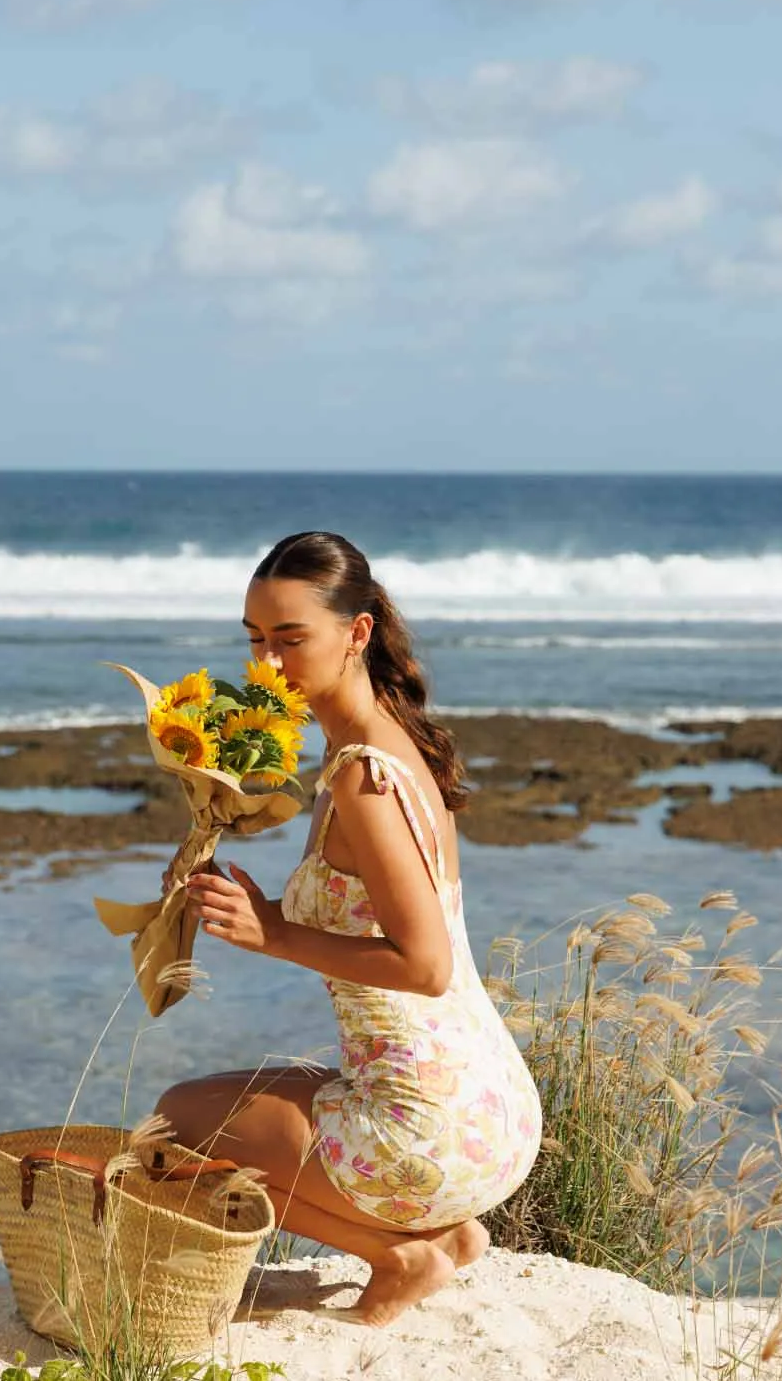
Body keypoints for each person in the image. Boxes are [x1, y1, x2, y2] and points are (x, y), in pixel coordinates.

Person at [155, 531, 543, 1325]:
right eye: (255, 641)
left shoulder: (365, 776)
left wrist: (272, 936)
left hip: (429, 1127)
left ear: (357, 632)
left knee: (174, 1124)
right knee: (219, 1098)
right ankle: (452, 1234)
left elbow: (426, 965)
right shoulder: (378, 749)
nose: (266, 667)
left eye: (291, 639)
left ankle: (399, 1256)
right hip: (490, 1111)